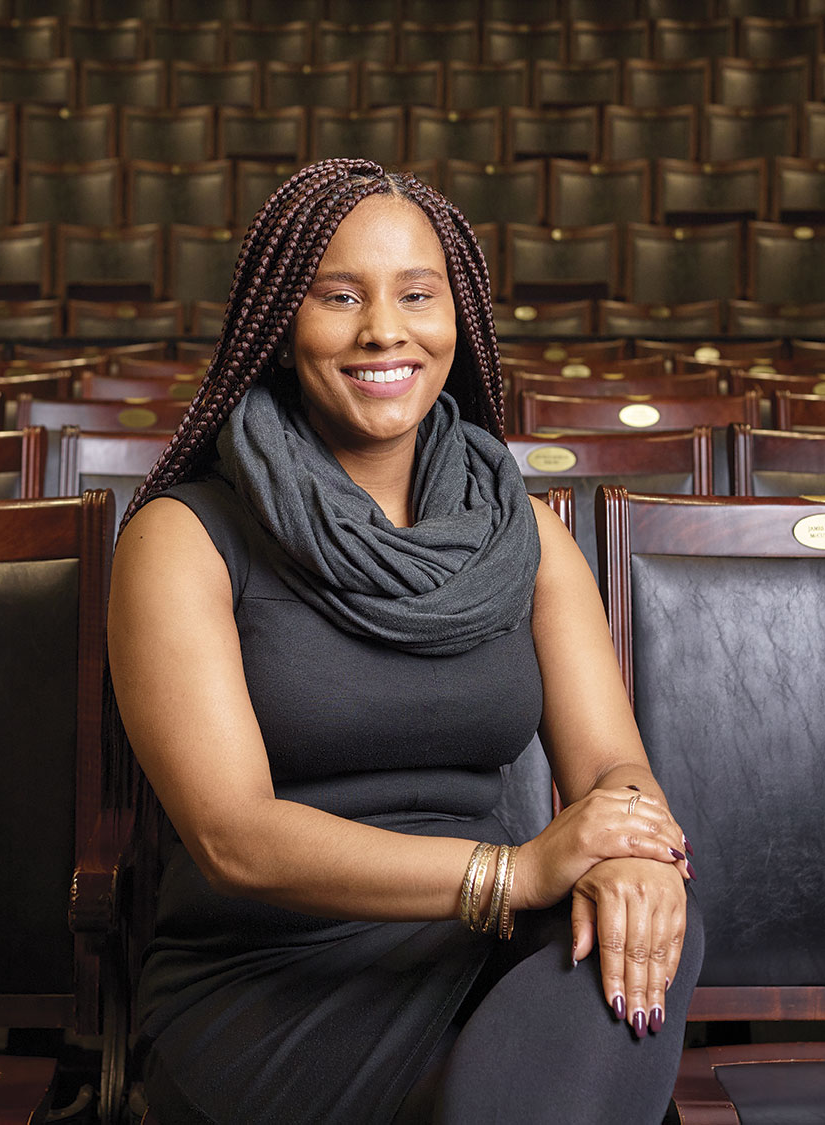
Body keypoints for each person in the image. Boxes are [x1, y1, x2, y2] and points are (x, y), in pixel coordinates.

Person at [107, 158, 703, 1125]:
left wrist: (633, 849)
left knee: (654, 917)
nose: (385, 329)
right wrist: (512, 872)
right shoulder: (183, 538)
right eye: (340, 296)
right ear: (277, 322)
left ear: (456, 315)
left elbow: (613, 766)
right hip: (272, 980)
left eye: (417, 295)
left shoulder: (531, 535)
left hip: (482, 955)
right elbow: (233, 837)